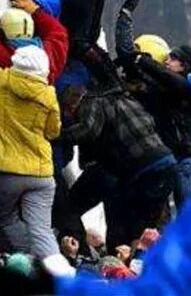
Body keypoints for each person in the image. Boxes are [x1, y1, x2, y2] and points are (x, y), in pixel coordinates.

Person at [48, 66, 191, 296]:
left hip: (144, 170)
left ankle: (130, 258)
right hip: (160, 165)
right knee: (144, 225)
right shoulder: (122, 101)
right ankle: (131, 255)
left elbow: (157, 289)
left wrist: (61, 287)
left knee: (136, 227)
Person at [59, 77, 179, 250]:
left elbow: (87, 130)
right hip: (166, 162)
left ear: (70, 106)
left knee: (136, 228)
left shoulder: (91, 102)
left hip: (144, 170)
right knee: (150, 224)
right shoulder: (125, 99)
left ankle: (132, 268)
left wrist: (56, 135)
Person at [113, 0, 191, 207]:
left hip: (190, 160)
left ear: (184, 65)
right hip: (184, 160)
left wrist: (141, 60)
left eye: (173, 58)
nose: (166, 61)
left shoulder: (183, 88)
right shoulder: (169, 90)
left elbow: (137, 60)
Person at [0, 46, 61, 259]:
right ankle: (58, 273)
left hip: (8, 172)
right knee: (42, 229)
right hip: (42, 172)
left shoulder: (2, 80)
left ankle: (28, 260)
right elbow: (53, 132)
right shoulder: (48, 96)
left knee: (6, 218)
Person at [0, 0, 70, 84]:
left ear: (3, 33)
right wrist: (35, 11)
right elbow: (59, 31)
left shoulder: (9, 60)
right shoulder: (51, 53)